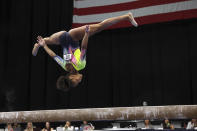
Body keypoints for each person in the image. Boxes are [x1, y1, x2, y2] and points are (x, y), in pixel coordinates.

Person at [32, 12, 138, 91]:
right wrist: (44, 46)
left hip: (72, 36)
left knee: (100, 27)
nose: (79, 81)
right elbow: (53, 55)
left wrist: (86, 34)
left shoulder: (80, 65)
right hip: (61, 38)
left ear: (71, 77)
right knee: (49, 40)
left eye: (76, 82)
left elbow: (83, 48)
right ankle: (39, 44)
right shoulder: (65, 66)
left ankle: (127, 16)